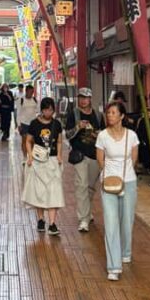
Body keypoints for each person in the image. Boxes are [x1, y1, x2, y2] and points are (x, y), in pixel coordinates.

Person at [96, 101, 139, 280]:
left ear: (122, 116)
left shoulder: (132, 136)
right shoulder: (102, 136)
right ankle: (113, 266)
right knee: (111, 222)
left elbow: (134, 159)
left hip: (128, 182)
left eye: (113, 113)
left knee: (127, 220)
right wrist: (109, 176)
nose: (110, 115)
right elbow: (100, 160)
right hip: (108, 183)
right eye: (108, 113)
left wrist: (124, 175)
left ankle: (125, 251)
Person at [22, 97, 64, 236]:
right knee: (38, 192)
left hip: (52, 160)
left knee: (54, 191)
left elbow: (59, 141)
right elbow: (28, 141)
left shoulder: (57, 124)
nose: (48, 112)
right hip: (38, 160)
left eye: (51, 110)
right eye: (46, 110)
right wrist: (30, 156)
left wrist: (59, 155)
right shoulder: (34, 123)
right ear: (42, 110)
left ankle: (52, 223)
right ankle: (41, 220)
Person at [65, 87, 104, 232]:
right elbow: (67, 135)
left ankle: (87, 212)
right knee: (81, 185)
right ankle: (83, 219)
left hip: (95, 155)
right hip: (80, 155)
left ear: (90, 99)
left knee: (90, 187)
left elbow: (104, 134)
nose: (83, 100)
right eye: (81, 97)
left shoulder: (98, 115)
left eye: (86, 98)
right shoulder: (74, 114)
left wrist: (97, 134)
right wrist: (78, 127)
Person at [17, 83, 38, 162]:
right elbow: (18, 113)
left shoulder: (35, 100)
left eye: (32, 92)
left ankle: (30, 155)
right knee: (24, 140)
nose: (31, 93)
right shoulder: (21, 100)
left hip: (33, 124)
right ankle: (25, 157)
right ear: (26, 91)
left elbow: (38, 111)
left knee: (32, 141)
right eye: (29, 92)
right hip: (24, 123)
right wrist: (19, 125)